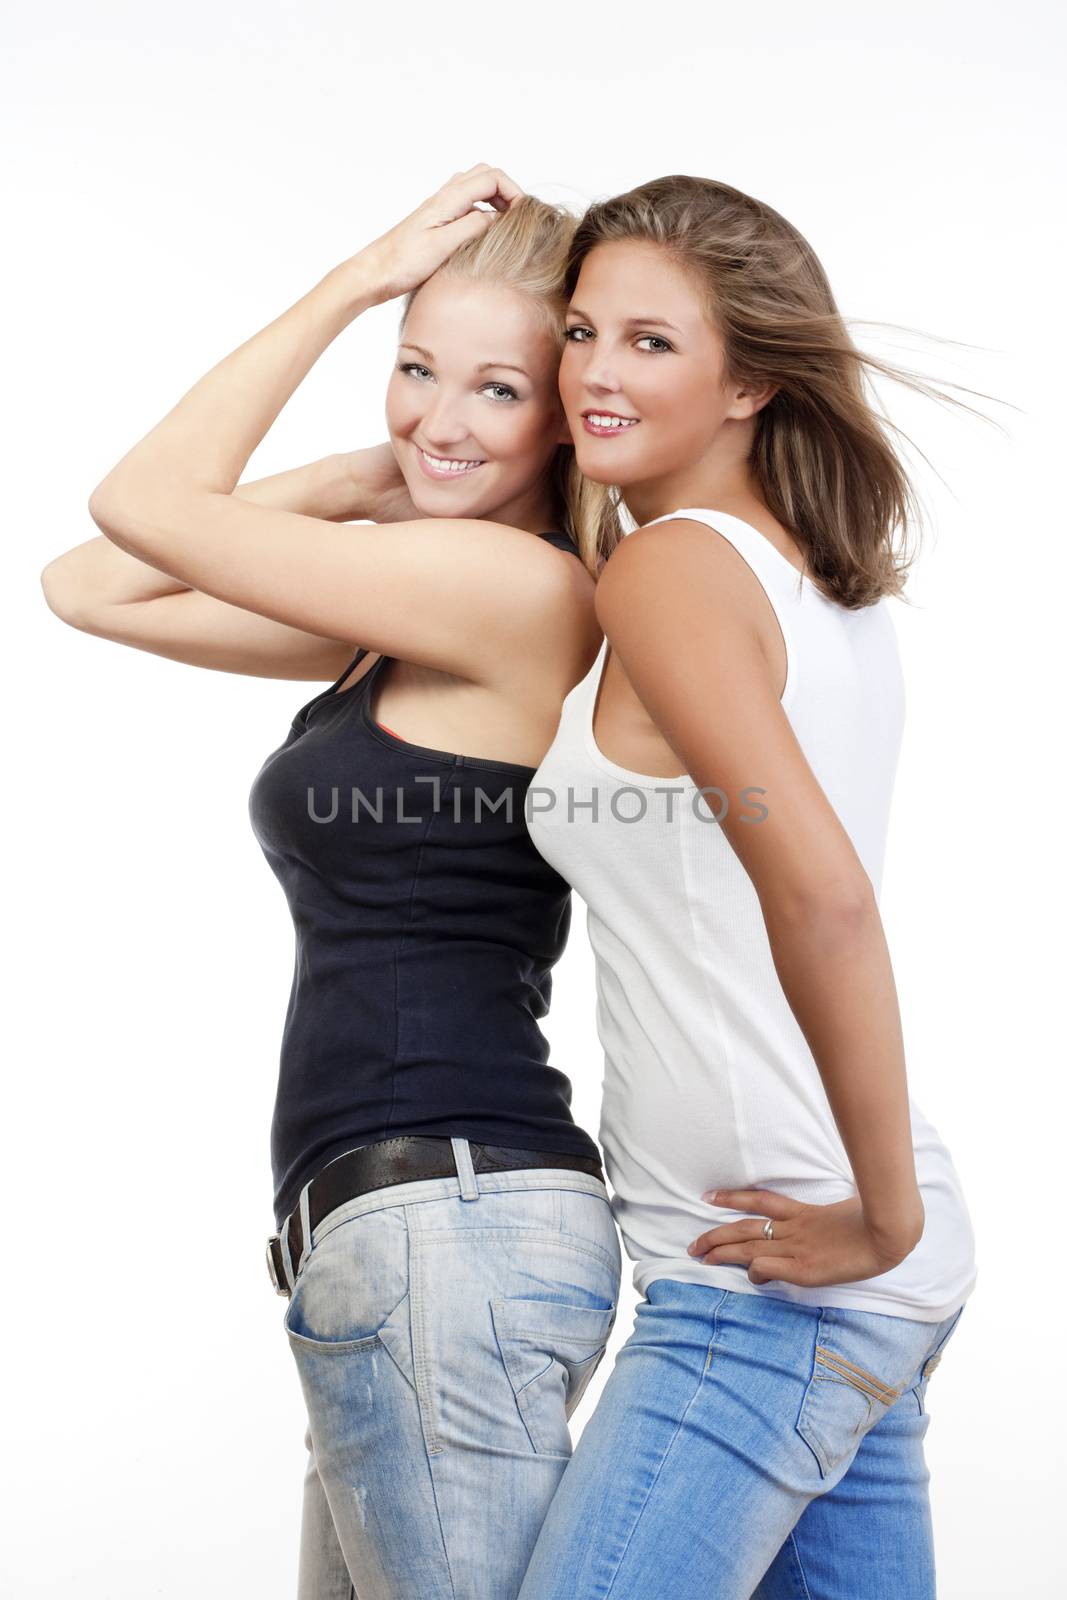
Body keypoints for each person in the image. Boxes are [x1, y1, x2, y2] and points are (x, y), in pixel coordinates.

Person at [41, 166, 623, 1600]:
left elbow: (140, 502)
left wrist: (357, 276)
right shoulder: (401, 609)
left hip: (451, 1230)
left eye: (495, 389)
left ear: (568, 412)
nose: (438, 416)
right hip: (390, 1243)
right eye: (415, 368)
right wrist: (365, 481)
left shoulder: (514, 591)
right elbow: (89, 583)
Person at [518, 175, 979, 1600]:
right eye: (581, 330)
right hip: (817, 1269)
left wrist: (880, 1218)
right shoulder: (817, 585)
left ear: (751, 380)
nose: (594, 372)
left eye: (652, 343)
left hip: (764, 1284)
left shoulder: (668, 573)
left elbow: (824, 898)